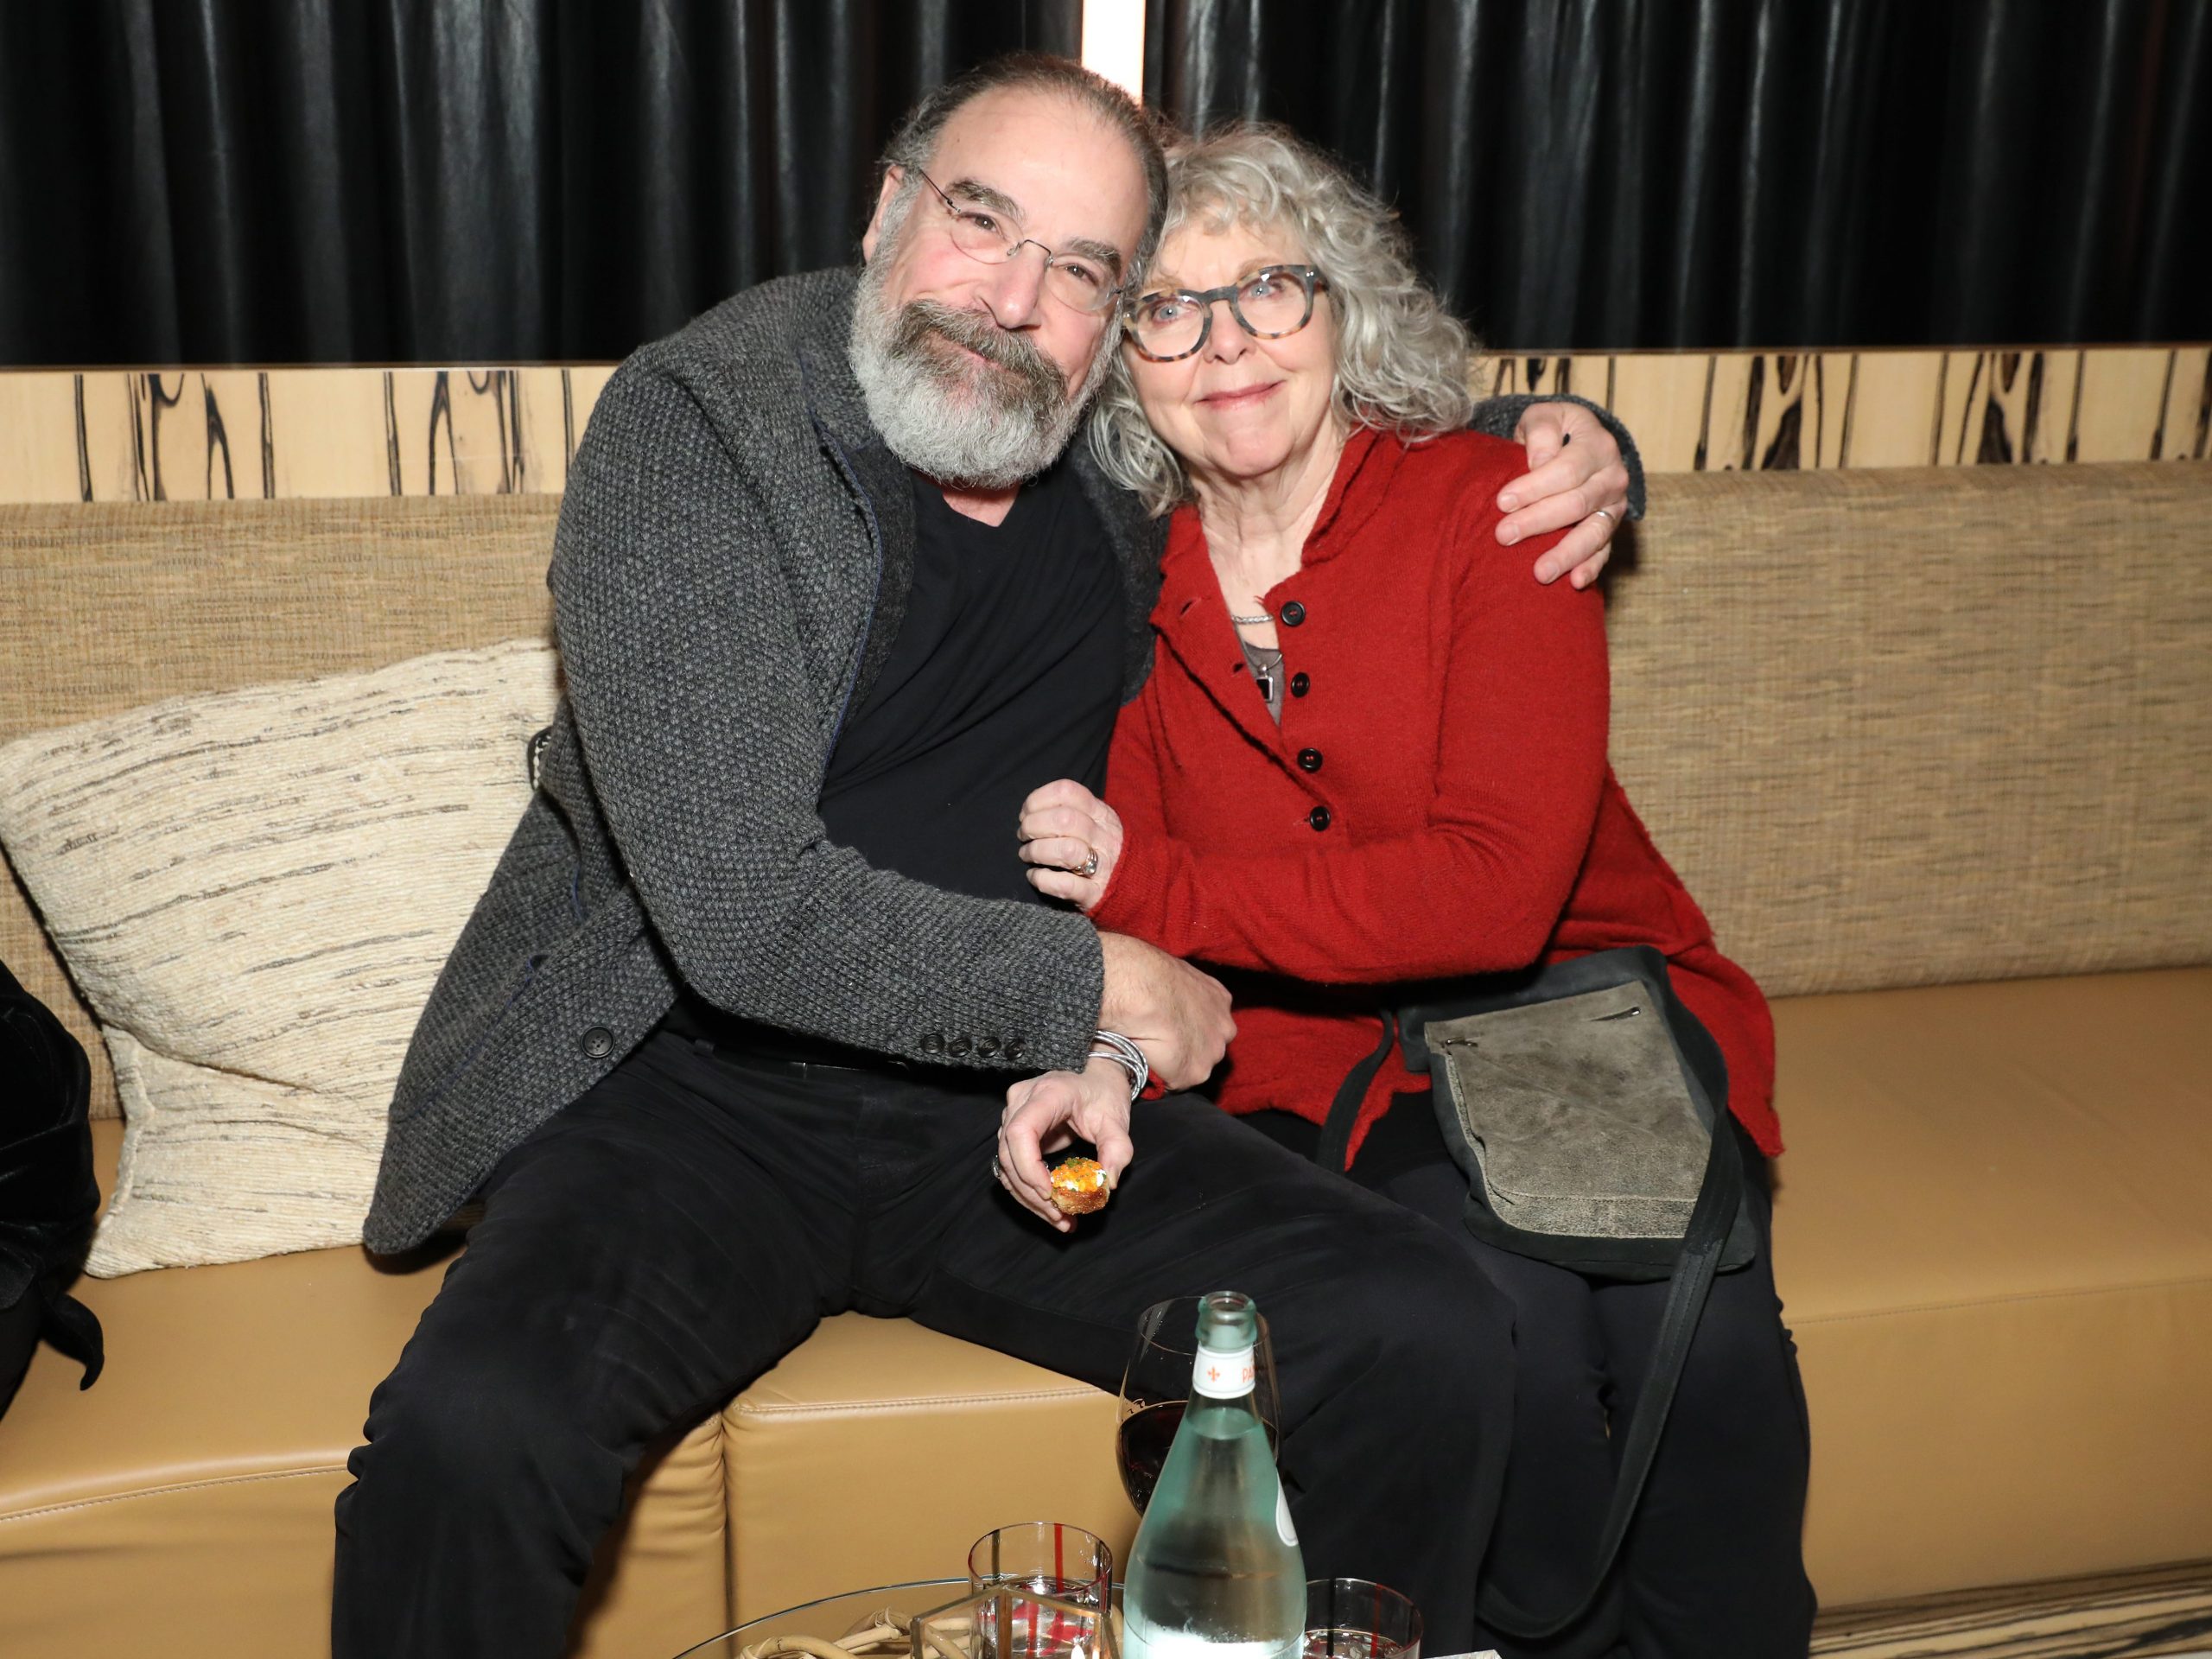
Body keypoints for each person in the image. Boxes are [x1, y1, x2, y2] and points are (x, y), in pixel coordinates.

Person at [335, 56, 1637, 1657]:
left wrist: (1557, 437)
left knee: (1421, 1326)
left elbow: (1293, 413)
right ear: (892, 211)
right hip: (695, 1100)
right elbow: (742, 919)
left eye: (1084, 273)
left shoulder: (1095, 453)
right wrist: (1096, 982)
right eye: (981, 220)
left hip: (1007, 1115)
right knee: (475, 1433)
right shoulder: (701, 427)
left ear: (1113, 320)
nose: (1013, 300)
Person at [1009, 126, 1815, 1658]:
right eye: (1170, 309)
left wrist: (1161, 884)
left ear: (1347, 311)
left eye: (1270, 289)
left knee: (1687, 1335)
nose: (1227, 342)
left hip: (1581, 1005)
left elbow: (1499, 898)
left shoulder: (1494, 508)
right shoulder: (1110, 577)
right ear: (1122, 360)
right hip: (1317, 1062)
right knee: (1490, 1329)